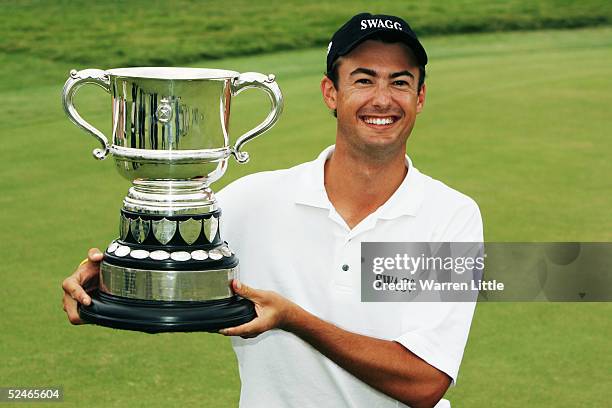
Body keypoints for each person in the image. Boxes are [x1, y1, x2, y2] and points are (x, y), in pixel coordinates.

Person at [62, 13, 483, 408]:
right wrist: (109, 279)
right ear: (330, 92)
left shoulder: (452, 216)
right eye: (363, 79)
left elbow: (426, 381)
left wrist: (294, 319)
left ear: (420, 97)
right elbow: (172, 261)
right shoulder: (251, 200)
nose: (382, 99)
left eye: (400, 82)